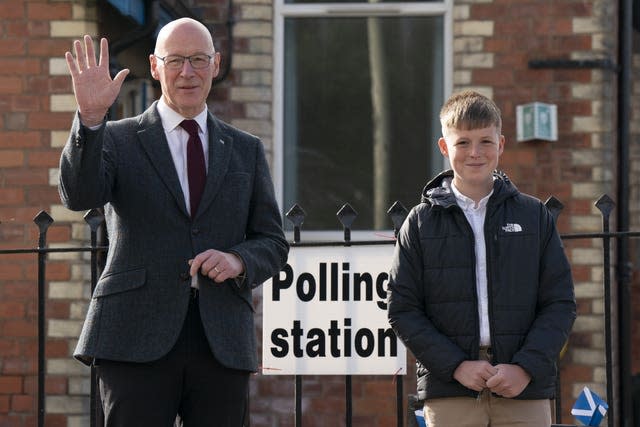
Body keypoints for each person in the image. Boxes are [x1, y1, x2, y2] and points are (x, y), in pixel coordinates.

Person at [58, 18, 289, 427]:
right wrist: (91, 120)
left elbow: (271, 240)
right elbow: (79, 195)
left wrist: (239, 260)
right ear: (154, 65)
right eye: (176, 60)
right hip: (133, 336)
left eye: (199, 59)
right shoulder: (116, 138)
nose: (188, 72)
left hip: (220, 342)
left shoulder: (245, 150)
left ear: (216, 64)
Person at [387, 90, 576, 426]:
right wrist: (456, 366)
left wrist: (525, 367)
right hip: (450, 387)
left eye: (485, 142)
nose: (475, 153)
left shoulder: (535, 216)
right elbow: (403, 309)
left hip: (523, 387)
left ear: (501, 145)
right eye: (463, 143)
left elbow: (559, 303)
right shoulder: (419, 222)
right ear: (445, 148)